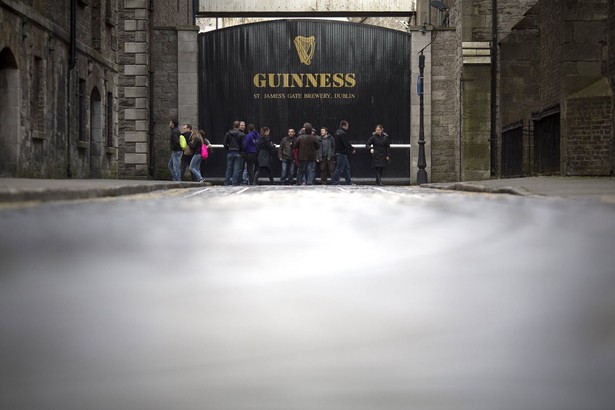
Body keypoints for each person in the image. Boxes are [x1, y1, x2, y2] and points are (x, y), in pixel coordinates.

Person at [331, 120, 355, 185]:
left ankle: (348, 182)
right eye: (347, 126)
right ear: (344, 126)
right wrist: (352, 149)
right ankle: (335, 182)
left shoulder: (337, 132)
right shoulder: (343, 133)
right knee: (339, 168)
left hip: (338, 152)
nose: (348, 127)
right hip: (342, 153)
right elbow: (346, 143)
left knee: (346, 168)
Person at [223, 120, 245, 186]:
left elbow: (224, 143)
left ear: (233, 125)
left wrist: (228, 148)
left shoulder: (228, 133)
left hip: (230, 152)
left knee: (228, 168)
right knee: (236, 168)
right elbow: (243, 145)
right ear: (239, 126)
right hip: (238, 152)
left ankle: (226, 182)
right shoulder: (241, 134)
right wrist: (240, 150)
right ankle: (234, 183)